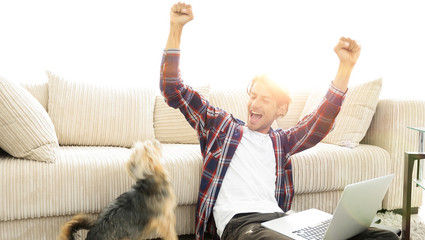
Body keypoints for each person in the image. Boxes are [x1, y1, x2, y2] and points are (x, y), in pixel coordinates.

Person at [160, 3, 399, 240]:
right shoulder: (221, 126)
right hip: (242, 225)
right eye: (253, 96)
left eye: (264, 99)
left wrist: (345, 66)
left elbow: (319, 123)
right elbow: (173, 89)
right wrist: (175, 28)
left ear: (281, 109)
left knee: (384, 237)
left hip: (282, 221)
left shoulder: (280, 142)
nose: (254, 104)